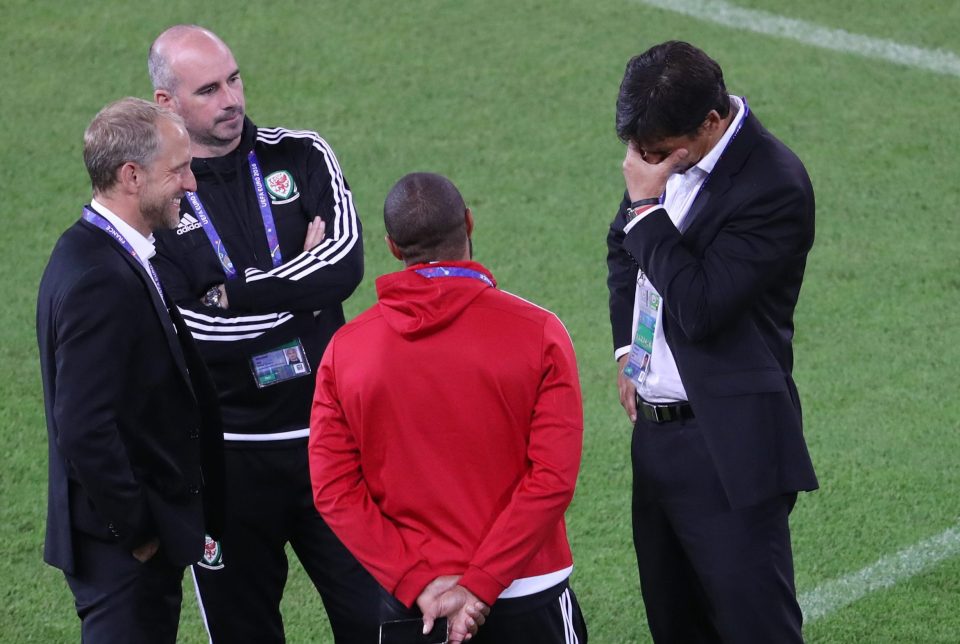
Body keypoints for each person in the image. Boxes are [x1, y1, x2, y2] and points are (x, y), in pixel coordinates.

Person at [147, 24, 378, 643]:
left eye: (234, 79)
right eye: (208, 90)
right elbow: (189, 329)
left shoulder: (301, 154)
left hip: (331, 442)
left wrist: (237, 291)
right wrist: (298, 292)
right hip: (227, 460)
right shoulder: (155, 195)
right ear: (166, 103)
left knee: (381, 623)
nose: (231, 99)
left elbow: (346, 264)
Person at [310, 172, 589, 643]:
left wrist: (413, 579)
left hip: (415, 605)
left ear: (393, 247)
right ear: (469, 223)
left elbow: (333, 488)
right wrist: (482, 584)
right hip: (526, 589)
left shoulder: (345, 350)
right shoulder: (538, 331)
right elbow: (551, 479)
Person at [606, 41, 819, 642]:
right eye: (635, 151)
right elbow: (623, 251)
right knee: (676, 626)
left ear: (710, 122)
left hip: (727, 447)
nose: (640, 164)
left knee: (756, 630)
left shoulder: (775, 184)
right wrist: (629, 352)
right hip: (654, 438)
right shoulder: (662, 155)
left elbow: (699, 306)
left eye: (656, 152)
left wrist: (648, 207)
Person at [36, 97, 225, 643]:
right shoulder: (101, 278)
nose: (192, 184)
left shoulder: (105, 252)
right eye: (179, 169)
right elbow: (83, 426)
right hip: (119, 553)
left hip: (123, 547)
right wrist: (139, 529)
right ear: (131, 176)